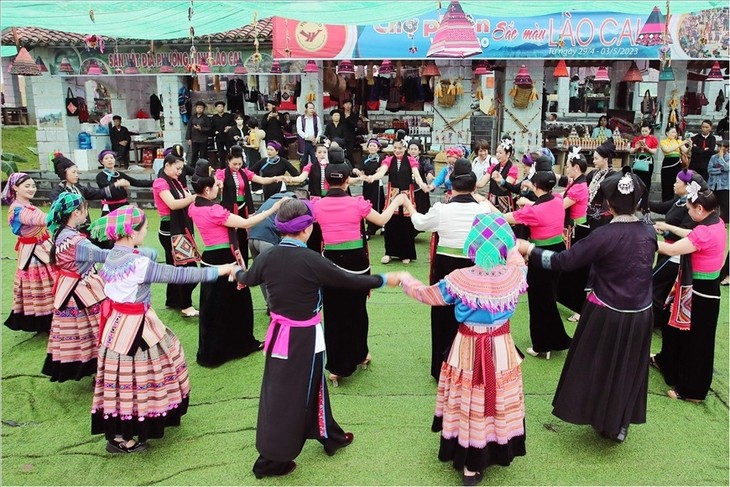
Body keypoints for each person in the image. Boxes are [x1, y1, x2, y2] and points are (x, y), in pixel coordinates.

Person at [233, 199, 402, 479]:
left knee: (297, 387)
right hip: (302, 337)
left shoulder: (268, 256)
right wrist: (385, 280)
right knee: (290, 394)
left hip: (279, 337)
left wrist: (235, 273)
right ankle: (272, 460)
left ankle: (329, 435)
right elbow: (350, 280)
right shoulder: (311, 260)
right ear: (307, 228)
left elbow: (248, 277)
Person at [518, 167, 656, 442]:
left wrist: (530, 249)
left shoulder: (604, 235)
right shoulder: (649, 232)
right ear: (638, 202)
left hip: (607, 312)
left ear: (607, 204)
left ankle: (601, 417)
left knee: (598, 365)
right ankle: (618, 423)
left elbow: (562, 262)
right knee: (628, 367)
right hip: (641, 313)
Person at [88, 206, 234, 454]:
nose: (146, 231)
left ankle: (122, 430)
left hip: (115, 325)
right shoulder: (138, 263)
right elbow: (177, 274)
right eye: (144, 228)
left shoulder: (112, 254)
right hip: (135, 327)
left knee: (120, 379)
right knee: (141, 376)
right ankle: (126, 436)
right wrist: (223, 270)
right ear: (132, 233)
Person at [400, 212, 528, 486]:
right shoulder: (515, 275)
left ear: (473, 243)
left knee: (470, 398)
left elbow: (428, 295)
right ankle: (497, 446)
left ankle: (470, 460)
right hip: (502, 349)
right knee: (497, 397)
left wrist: (404, 280)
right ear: (504, 243)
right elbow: (516, 257)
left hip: (468, 347)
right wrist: (509, 242)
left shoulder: (458, 278)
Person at [314, 163, 406, 386]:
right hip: (356, 262)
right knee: (356, 311)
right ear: (347, 181)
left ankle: (336, 367)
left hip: (329, 263)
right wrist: (398, 200)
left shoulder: (316, 205)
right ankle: (360, 354)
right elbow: (382, 220)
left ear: (327, 183)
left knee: (334, 314)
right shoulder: (357, 204)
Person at [403, 159, 495, 380]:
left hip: (446, 266)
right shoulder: (483, 209)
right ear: (474, 187)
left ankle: (443, 368)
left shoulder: (441, 210)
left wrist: (408, 204)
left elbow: (419, 223)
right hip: (474, 266)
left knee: (443, 316)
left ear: (451, 186)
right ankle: (471, 368)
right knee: (473, 317)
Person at [188, 160, 283, 367]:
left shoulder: (194, 207)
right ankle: (240, 344)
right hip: (225, 258)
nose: (219, 187)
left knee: (213, 306)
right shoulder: (214, 211)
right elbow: (246, 223)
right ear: (206, 189)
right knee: (237, 304)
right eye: (216, 185)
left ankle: (214, 350)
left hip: (210, 259)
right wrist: (272, 209)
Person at [651, 187, 727, 403]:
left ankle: (692, 391)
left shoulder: (705, 231)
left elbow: (675, 250)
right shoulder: (715, 221)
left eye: (690, 208)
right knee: (672, 325)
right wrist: (668, 227)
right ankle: (667, 362)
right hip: (692, 287)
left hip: (701, 292)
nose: (687, 211)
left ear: (700, 208)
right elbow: (692, 236)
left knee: (697, 341)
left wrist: (642, 239)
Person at [503, 169, 571, 359]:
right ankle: (554, 339)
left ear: (536, 186)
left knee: (539, 300)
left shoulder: (533, 211)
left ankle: (543, 344)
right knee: (549, 298)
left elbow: (506, 218)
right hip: (558, 250)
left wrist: (488, 211)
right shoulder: (557, 200)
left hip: (540, 255)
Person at [42, 194, 108, 382]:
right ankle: (99, 370)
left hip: (68, 288)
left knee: (79, 334)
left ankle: (88, 367)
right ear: (76, 212)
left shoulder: (60, 233)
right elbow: (103, 255)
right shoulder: (76, 241)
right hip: (81, 290)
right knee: (95, 330)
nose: (86, 214)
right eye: (84, 209)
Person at [649, 169, 707, 329]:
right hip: (667, 249)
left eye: (677, 182)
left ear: (688, 186)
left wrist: (664, 230)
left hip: (675, 253)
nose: (674, 184)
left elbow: (686, 234)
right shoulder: (679, 200)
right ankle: (659, 322)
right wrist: (641, 202)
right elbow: (661, 207)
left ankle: (654, 322)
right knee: (662, 286)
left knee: (654, 282)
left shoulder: (691, 208)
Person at [2, 173, 56, 333]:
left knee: (49, 283)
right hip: (34, 253)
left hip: (43, 247)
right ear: (15, 188)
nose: (32, 189)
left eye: (33, 185)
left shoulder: (26, 205)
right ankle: (45, 321)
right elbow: (37, 219)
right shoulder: (17, 209)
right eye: (27, 186)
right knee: (40, 286)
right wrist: (58, 213)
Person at [215, 145, 284, 263]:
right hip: (230, 209)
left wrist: (275, 179)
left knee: (243, 239)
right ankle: (232, 264)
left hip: (244, 209)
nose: (237, 167)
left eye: (239, 164)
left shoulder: (244, 173)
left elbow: (261, 180)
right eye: (234, 164)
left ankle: (244, 267)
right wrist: (219, 184)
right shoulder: (222, 173)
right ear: (228, 161)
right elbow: (219, 182)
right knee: (232, 238)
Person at [368, 139, 430, 264]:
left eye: (400, 148)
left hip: (407, 196)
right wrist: (372, 177)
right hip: (393, 195)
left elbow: (417, 176)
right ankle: (389, 253)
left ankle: (406, 254)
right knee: (391, 223)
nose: (397, 150)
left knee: (406, 225)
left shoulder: (411, 160)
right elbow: (381, 172)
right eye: (395, 148)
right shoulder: (389, 160)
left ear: (405, 149)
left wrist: (423, 185)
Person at [152, 154, 199, 317]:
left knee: (176, 266)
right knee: (187, 268)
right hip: (170, 230)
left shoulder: (176, 182)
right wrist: (195, 197)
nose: (180, 172)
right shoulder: (161, 183)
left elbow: (188, 198)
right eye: (177, 168)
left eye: (181, 169)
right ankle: (186, 305)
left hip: (178, 228)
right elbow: (172, 204)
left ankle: (174, 300)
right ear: (166, 166)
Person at [247, 190, 305, 310]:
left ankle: (269, 304)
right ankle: (275, 306)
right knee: (274, 274)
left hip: (252, 237)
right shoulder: (291, 201)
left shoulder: (273, 198)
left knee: (262, 274)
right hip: (267, 238)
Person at [50, 153, 129, 233]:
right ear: (64, 173)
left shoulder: (79, 188)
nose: (77, 175)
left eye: (77, 172)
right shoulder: (58, 192)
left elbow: (98, 193)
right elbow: (57, 213)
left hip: (84, 228)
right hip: (68, 231)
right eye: (73, 172)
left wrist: (115, 185)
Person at [555, 148, 590, 322]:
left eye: (568, 166)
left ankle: (580, 308)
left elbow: (560, 205)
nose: (566, 169)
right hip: (572, 230)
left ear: (576, 167)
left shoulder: (580, 187)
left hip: (578, 231)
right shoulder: (576, 183)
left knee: (577, 270)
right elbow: (559, 197)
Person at [96, 149, 153, 216]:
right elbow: (108, 187)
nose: (109, 160)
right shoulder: (100, 176)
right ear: (102, 161)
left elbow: (136, 182)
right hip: (109, 207)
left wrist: (156, 182)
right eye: (106, 158)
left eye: (111, 158)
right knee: (109, 225)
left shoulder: (120, 175)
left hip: (123, 205)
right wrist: (120, 184)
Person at [707, 140, 729, 285]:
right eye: (720, 147)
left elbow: (727, 168)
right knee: (711, 205)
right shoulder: (713, 158)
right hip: (713, 184)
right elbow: (710, 169)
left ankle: (723, 224)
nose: (722, 149)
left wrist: (721, 161)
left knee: (725, 207)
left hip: (724, 186)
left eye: (724, 147)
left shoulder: (725, 157)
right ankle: (711, 221)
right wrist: (719, 168)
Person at [478, 139, 519, 213]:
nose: (497, 155)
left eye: (500, 153)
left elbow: (505, 187)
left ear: (508, 154)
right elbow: (481, 183)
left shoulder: (513, 168)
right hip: (492, 201)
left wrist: (499, 179)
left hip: (505, 203)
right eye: (497, 152)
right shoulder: (493, 167)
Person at [357, 138, 385, 237]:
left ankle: (381, 225)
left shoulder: (381, 158)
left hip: (377, 184)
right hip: (367, 184)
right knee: (368, 203)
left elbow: (384, 169)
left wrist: (381, 170)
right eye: (370, 146)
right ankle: (370, 226)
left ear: (378, 148)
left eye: (374, 146)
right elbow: (359, 169)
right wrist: (359, 172)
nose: (372, 147)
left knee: (378, 204)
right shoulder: (365, 159)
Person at [586, 138, 617, 230]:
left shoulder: (612, 176)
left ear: (605, 159)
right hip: (589, 212)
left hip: (603, 217)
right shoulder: (593, 174)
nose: (593, 161)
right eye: (593, 158)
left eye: (596, 158)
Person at [660, 125, 692, 202]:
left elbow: (685, 151)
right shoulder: (663, 141)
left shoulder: (678, 141)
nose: (674, 134)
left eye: (675, 132)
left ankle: (675, 201)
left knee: (676, 182)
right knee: (667, 184)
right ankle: (665, 201)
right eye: (672, 132)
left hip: (677, 163)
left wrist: (690, 145)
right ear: (667, 133)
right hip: (668, 163)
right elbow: (667, 150)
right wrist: (680, 144)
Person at [629, 123, 659, 193]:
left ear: (649, 130)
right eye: (642, 131)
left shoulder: (653, 139)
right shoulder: (637, 139)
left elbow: (654, 152)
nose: (644, 133)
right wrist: (636, 148)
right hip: (638, 160)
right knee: (636, 179)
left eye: (646, 131)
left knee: (647, 180)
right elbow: (631, 151)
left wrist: (647, 148)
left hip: (648, 161)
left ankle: (645, 196)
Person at [409, 138, 435, 214]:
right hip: (408, 189)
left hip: (420, 189)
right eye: (411, 149)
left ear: (419, 151)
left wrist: (429, 173)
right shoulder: (405, 160)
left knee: (422, 210)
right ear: (408, 150)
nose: (413, 151)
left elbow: (429, 168)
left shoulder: (422, 160)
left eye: (415, 149)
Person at [297, 102, 322, 170]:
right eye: (310, 108)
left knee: (315, 160)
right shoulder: (300, 118)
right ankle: (303, 177)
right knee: (303, 161)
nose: (312, 110)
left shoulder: (316, 118)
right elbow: (299, 131)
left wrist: (316, 139)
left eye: (313, 108)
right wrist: (308, 137)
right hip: (304, 142)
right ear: (306, 109)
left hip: (313, 143)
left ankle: (315, 176)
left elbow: (320, 130)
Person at [186, 100, 211, 167]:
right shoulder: (192, 117)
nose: (199, 109)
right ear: (196, 108)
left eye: (201, 108)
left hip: (203, 139)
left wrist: (201, 129)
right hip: (194, 139)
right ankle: (192, 169)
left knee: (203, 155)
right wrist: (188, 138)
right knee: (194, 154)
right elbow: (189, 128)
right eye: (198, 107)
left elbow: (209, 128)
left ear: (203, 109)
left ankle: (203, 168)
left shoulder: (206, 118)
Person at [210, 101, 234, 169]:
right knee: (221, 154)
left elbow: (233, 125)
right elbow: (211, 128)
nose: (220, 108)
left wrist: (229, 127)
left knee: (230, 153)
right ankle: (222, 168)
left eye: (221, 106)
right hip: (219, 138)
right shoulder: (214, 117)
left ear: (224, 107)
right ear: (216, 108)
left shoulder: (228, 116)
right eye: (218, 107)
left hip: (228, 137)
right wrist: (215, 132)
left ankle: (231, 166)